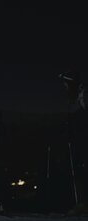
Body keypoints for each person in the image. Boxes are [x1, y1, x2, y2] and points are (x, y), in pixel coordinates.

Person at [58, 70, 88, 215]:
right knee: (79, 171)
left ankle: (83, 204)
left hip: (83, 141)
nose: (64, 88)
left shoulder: (83, 96)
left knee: (83, 171)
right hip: (79, 140)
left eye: (66, 84)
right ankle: (82, 203)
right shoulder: (76, 97)